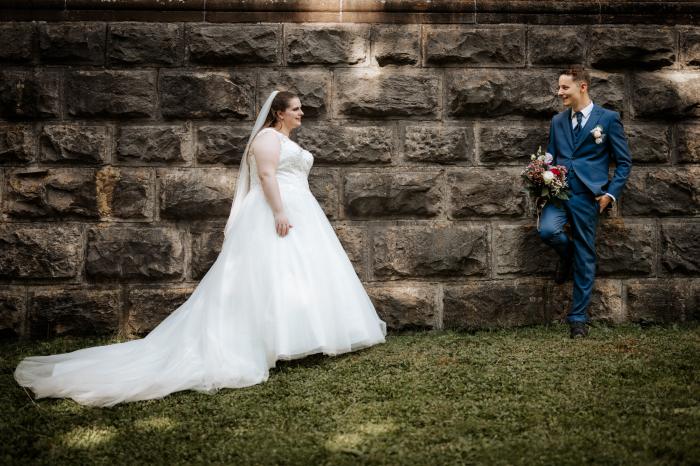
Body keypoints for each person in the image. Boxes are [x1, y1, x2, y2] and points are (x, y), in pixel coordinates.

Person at [14, 91, 387, 407]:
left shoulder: (286, 141)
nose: (302, 112)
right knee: (266, 275)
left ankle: (298, 337)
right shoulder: (267, 139)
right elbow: (268, 175)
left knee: (296, 274)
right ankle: (259, 342)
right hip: (277, 210)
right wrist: (279, 212)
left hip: (300, 208)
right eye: (296, 107)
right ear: (279, 112)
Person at [539, 66, 632, 338]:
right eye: (559, 87)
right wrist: (540, 173)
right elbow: (551, 156)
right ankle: (567, 256)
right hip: (559, 193)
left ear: (582, 87)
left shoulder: (609, 119)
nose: (559, 93)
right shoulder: (557, 121)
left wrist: (609, 194)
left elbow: (624, 163)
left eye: (564, 87)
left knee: (586, 254)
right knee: (547, 231)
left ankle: (578, 319)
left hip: (588, 197)